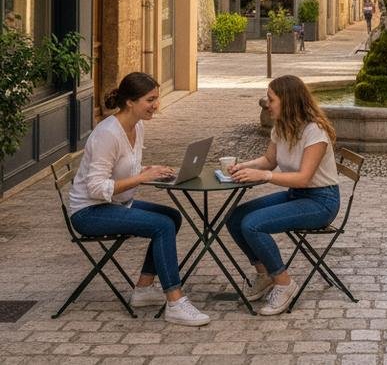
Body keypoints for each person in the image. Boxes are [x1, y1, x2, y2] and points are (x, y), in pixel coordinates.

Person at [67, 72, 210, 326]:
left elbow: (126, 168)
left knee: (172, 217)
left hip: (116, 204)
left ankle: (143, 290)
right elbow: (96, 187)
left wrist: (148, 171)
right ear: (130, 102)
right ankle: (175, 302)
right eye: (150, 99)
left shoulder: (136, 126)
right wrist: (142, 179)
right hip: (90, 212)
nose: (156, 105)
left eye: (157, 98)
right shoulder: (107, 134)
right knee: (161, 225)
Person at [227, 74, 341, 315]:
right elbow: (269, 161)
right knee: (235, 218)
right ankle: (264, 273)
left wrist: (264, 177)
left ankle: (284, 283)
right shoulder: (281, 127)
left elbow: (304, 177)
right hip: (297, 195)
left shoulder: (314, 132)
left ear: (288, 101)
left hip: (321, 201)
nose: (267, 104)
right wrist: (244, 167)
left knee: (253, 224)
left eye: (271, 99)